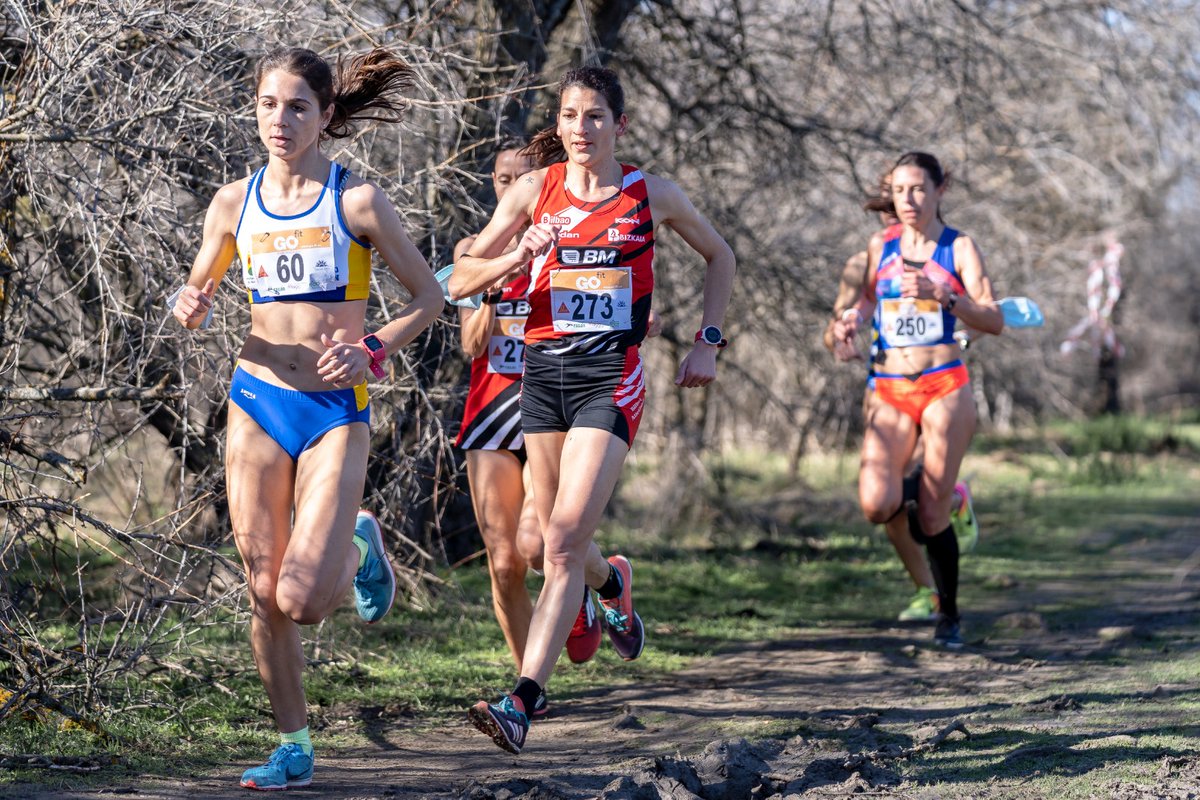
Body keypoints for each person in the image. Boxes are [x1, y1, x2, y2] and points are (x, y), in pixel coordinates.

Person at [172, 47, 443, 790]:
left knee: (303, 601)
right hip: (258, 398)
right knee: (263, 591)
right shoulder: (234, 202)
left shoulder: (356, 201)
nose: (280, 120)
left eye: (297, 107)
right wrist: (187, 304)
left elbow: (428, 297)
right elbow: (194, 294)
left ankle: (358, 549)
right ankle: (294, 746)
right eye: (268, 104)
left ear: (326, 116)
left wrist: (373, 348)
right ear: (254, 109)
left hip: (333, 410)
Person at [450, 65, 736, 754]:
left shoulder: (650, 193)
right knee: (557, 541)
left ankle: (523, 700)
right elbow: (459, 277)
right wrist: (515, 256)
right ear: (559, 124)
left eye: (596, 116)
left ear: (619, 124)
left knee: (562, 538)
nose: (582, 129)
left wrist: (708, 342)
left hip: (611, 376)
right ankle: (613, 582)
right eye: (572, 116)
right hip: (542, 377)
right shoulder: (531, 192)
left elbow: (721, 257)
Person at [452, 140, 603, 722]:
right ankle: (526, 687)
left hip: (551, 401)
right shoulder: (472, 249)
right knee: (503, 561)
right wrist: (505, 270)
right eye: (499, 177)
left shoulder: (572, 233)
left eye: (521, 176)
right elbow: (471, 343)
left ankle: (590, 588)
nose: (508, 185)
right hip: (491, 409)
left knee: (537, 542)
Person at [832, 151, 1000, 649]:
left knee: (928, 517)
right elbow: (860, 304)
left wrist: (943, 295)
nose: (909, 200)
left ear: (940, 189)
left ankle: (947, 614)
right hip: (889, 388)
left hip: (945, 383)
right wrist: (846, 326)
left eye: (920, 189)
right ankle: (946, 493)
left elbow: (993, 319)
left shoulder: (959, 247)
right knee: (876, 503)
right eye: (900, 191)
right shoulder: (878, 246)